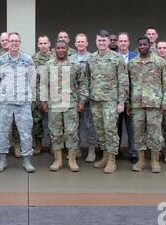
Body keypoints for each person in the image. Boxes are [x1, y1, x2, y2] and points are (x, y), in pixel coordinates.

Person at [41, 40, 88, 172]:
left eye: (63, 48)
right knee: (55, 132)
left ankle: (72, 160)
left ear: (67, 49)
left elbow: (83, 84)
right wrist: (43, 101)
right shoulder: (48, 65)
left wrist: (82, 101)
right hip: (54, 104)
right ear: (54, 50)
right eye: (58, 48)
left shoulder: (75, 65)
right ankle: (58, 160)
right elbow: (43, 85)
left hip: (71, 104)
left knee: (71, 132)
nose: (61, 50)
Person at [0, 32, 37, 173]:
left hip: (23, 103)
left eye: (16, 41)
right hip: (5, 103)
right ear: (7, 42)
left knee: (25, 132)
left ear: (20, 42)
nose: (14, 43)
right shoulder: (0, 60)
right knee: (3, 132)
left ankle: (27, 160)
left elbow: (32, 80)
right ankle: (2, 159)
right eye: (11, 41)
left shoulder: (27, 60)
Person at [87, 29, 128, 174]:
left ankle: (112, 160)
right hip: (96, 100)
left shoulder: (117, 58)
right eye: (99, 41)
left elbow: (123, 81)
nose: (102, 43)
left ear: (109, 42)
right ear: (96, 41)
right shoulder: (91, 58)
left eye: (104, 41)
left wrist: (121, 102)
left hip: (111, 101)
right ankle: (104, 156)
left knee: (110, 130)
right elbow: (88, 78)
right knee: (100, 130)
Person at [128, 37, 166, 173]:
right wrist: (127, 103)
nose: (142, 46)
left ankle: (154, 161)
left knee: (155, 134)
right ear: (138, 46)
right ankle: (141, 160)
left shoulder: (159, 62)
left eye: (145, 44)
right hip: (137, 105)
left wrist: (165, 102)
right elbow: (127, 86)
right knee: (138, 133)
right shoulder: (132, 63)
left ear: (149, 46)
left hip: (154, 105)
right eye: (140, 44)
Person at [70, 33, 98, 161]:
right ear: (75, 44)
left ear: (87, 43)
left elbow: (96, 78)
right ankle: (76, 149)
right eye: (78, 42)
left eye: (83, 42)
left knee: (90, 125)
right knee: (73, 125)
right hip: (74, 98)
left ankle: (91, 151)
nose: (80, 44)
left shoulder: (92, 58)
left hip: (88, 98)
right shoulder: (70, 59)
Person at [116, 32, 137, 163]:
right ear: (117, 43)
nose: (123, 43)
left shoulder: (135, 57)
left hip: (132, 98)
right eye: (121, 41)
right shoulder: (112, 57)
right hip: (116, 98)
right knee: (115, 126)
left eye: (125, 41)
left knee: (132, 128)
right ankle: (115, 151)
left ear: (129, 42)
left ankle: (133, 153)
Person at [31, 35, 52, 155]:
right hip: (37, 94)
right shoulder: (34, 58)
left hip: (53, 94)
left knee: (53, 121)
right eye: (41, 43)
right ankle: (38, 145)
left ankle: (53, 145)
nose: (43, 45)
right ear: (38, 45)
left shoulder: (55, 56)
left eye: (45, 43)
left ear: (49, 44)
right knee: (37, 120)